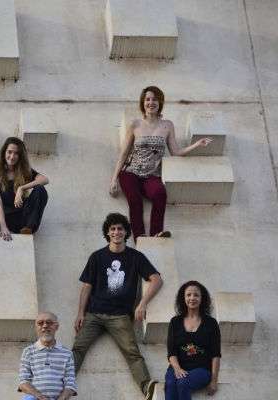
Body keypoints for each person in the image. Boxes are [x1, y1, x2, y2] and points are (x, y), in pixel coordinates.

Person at [72, 213, 163, 400]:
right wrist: (80, 313)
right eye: (112, 229)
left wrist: (142, 304)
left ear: (126, 232)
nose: (116, 232)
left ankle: (147, 388)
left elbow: (156, 280)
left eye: (120, 228)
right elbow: (86, 286)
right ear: (107, 232)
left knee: (132, 353)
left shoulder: (135, 257)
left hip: (120, 315)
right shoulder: (97, 257)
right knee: (78, 349)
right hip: (94, 314)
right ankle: (60, 384)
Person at [109, 86, 212, 241]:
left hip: (152, 175)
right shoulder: (135, 125)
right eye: (148, 99)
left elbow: (176, 151)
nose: (151, 102)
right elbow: (124, 153)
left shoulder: (167, 125)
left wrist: (197, 144)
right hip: (130, 173)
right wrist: (114, 179)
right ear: (143, 103)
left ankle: (157, 233)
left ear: (160, 102)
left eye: (155, 99)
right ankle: (140, 237)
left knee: (160, 193)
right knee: (135, 200)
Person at [0, 137, 49, 241]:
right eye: (9, 152)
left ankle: (29, 228)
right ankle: (16, 228)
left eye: (16, 153)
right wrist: (3, 227)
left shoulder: (25, 172)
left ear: (20, 156)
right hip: (9, 219)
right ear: (4, 153)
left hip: (25, 215)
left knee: (40, 189)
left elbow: (44, 179)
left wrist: (21, 188)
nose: (12, 156)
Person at [165, 281, 221, 399]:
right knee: (170, 384)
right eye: (188, 295)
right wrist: (177, 368)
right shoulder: (175, 322)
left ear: (202, 298)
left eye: (196, 295)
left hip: (201, 369)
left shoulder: (211, 323)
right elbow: (171, 352)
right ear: (183, 298)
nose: (192, 298)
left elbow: (215, 354)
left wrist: (214, 380)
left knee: (183, 383)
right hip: (177, 366)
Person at [18, 311, 77, 400]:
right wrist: (39, 397)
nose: (45, 326)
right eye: (40, 323)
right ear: (36, 328)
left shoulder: (67, 353)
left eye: (49, 323)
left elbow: (70, 383)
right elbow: (23, 382)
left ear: (56, 326)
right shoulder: (28, 352)